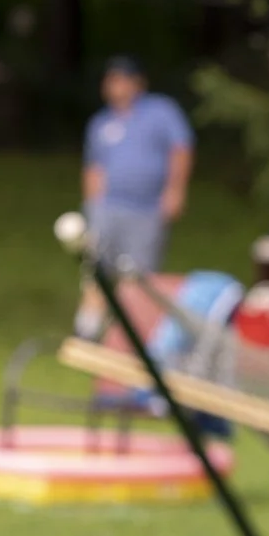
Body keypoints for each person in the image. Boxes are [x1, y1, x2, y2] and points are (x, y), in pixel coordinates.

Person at [74, 54, 193, 337]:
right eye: (111, 79)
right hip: (108, 207)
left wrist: (175, 191)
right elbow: (94, 169)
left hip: (147, 209)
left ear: (138, 82)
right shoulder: (100, 123)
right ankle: (87, 330)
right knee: (97, 269)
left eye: (122, 79)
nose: (115, 85)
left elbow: (181, 149)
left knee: (139, 274)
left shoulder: (161, 111)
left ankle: (130, 334)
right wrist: (92, 207)